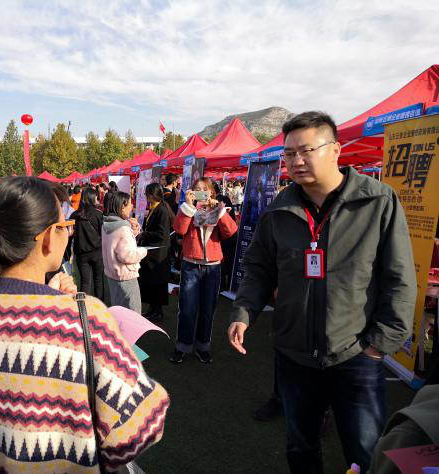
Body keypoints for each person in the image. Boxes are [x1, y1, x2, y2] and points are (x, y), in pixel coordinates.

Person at [227, 111, 416, 473]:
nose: (296, 161)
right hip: (294, 356)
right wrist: (243, 312)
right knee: (301, 448)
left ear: (336, 150)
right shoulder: (278, 210)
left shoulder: (377, 201)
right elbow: (259, 269)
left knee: (366, 454)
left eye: (306, 150)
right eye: (289, 153)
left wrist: (379, 344)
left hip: (356, 354)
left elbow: (399, 278)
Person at [0, 177, 169, 473]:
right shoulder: (83, 317)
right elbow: (143, 425)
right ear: (48, 238)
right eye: (64, 226)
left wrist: (51, 299)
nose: (68, 233)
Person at [171, 177, 238, 364]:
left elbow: (231, 231)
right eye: (197, 189)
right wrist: (187, 206)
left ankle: (202, 346)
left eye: (204, 189)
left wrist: (220, 211)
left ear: (211, 192)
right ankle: (182, 345)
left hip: (213, 267)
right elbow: (179, 230)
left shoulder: (218, 208)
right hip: (191, 265)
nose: (201, 193)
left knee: (208, 309)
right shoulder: (188, 209)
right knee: (187, 309)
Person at [102, 191, 147, 314]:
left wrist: (133, 233)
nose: (132, 206)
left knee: (119, 312)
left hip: (112, 275)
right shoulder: (122, 228)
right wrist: (143, 251)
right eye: (130, 203)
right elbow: (127, 256)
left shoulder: (108, 223)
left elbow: (117, 244)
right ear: (122, 206)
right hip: (126, 276)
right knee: (133, 313)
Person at [137, 183, 173, 321]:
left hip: (159, 253)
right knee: (151, 282)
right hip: (153, 251)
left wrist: (144, 234)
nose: (146, 196)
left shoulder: (162, 210)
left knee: (157, 283)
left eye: (147, 194)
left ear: (152, 195)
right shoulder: (155, 208)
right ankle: (152, 309)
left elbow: (162, 234)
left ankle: (157, 312)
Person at [71, 187, 105, 299]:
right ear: (92, 198)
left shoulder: (75, 215)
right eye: (96, 197)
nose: (98, 199)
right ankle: (100, 305)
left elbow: (70, 234)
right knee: (98, 281)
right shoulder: (98, 214)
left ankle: (83, 307)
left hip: (81, 253)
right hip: (97, 252)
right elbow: (103, 233)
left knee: (84, 282)